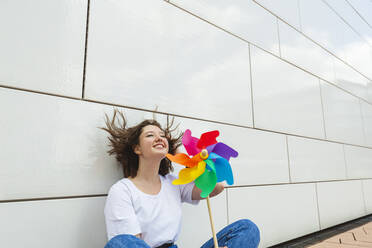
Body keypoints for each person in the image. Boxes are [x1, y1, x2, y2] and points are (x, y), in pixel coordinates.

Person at [101, 109, 260, 248]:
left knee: (247, 229)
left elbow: (217, 187)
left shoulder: (173, 183)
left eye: (163, 136)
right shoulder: (122, 190)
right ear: (137, 148)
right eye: (150, 135)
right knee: (120, 242)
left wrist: (181, 155)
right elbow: (129, 244)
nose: (159, 138)